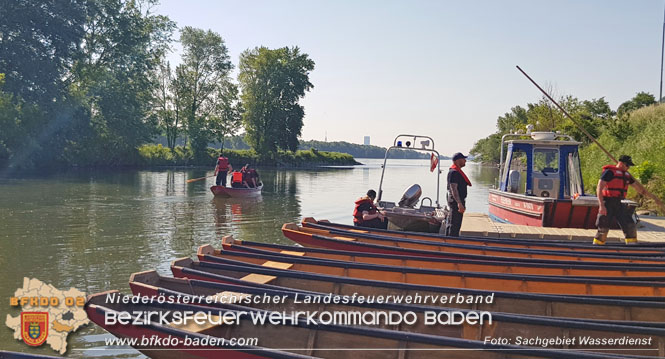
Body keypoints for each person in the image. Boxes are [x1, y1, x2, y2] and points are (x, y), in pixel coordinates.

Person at [593, 155, 646, 245]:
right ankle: (598, 245)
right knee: (603, 227)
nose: (628, 168)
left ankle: (632, 244)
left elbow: (638, 188)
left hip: (620, 203)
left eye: (629, 166)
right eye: (627, 165)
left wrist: (646, 193)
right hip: (608, 202)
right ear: (621, 163)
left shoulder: (626, 175)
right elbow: (599, 187)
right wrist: (601, 205)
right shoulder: (609, 172)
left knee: (629, 224)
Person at [445, 152, 471, 237]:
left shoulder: (457, 171)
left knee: (455, 223)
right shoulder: (454, 172)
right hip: (456, 201)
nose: (465, 161)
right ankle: (451, 243)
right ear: (458, 160)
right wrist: (459, 203)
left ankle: (451, 241)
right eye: (464, 159)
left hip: (457, 201)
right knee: (454, 224)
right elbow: (454, 189)